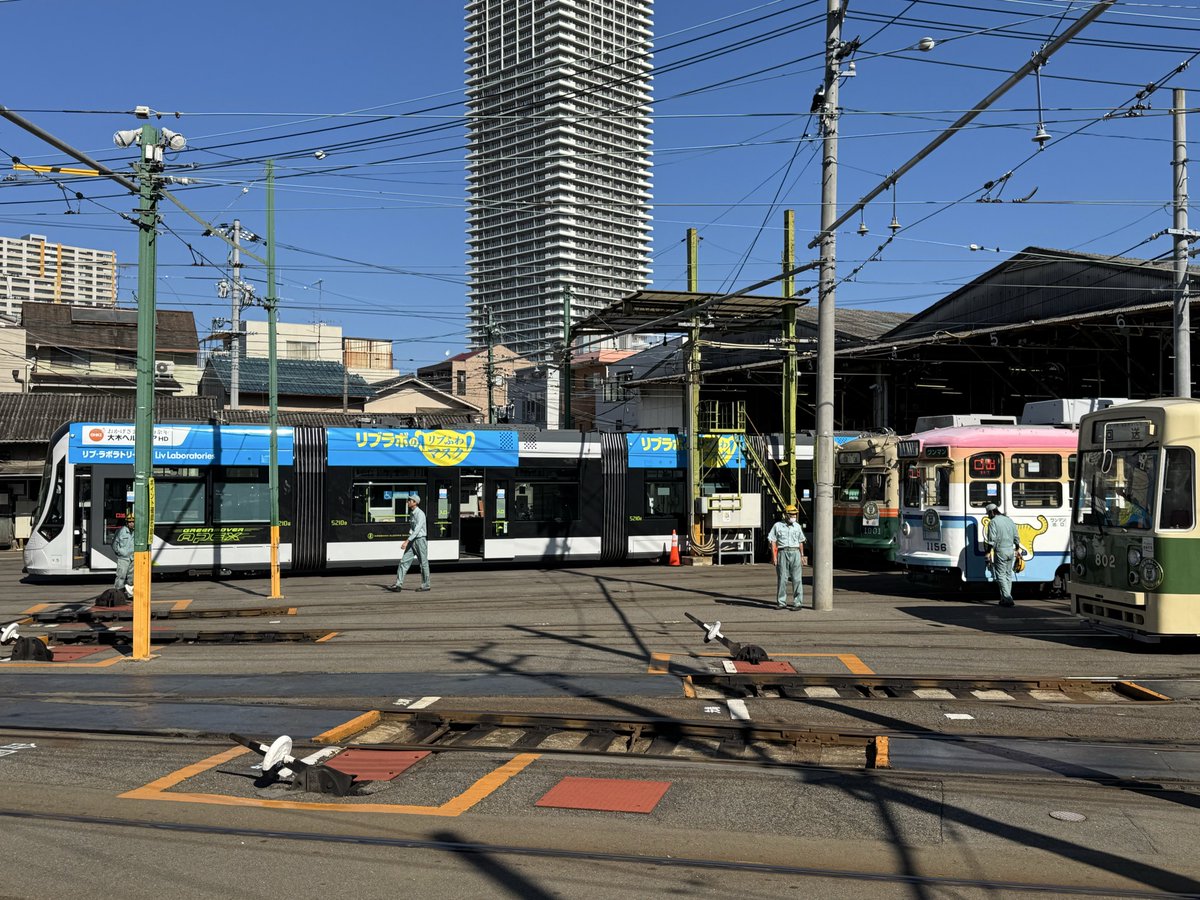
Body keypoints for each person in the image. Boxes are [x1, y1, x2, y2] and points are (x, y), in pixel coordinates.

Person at [387, 493, 430, 592]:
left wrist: (407, 541)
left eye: (410, 500)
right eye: (408, 500)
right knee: (403, 562)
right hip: (412, 540)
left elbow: (417, 530)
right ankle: (398, 585)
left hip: (420, 540)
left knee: (423, 563)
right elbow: (412, 528)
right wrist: (409, 539)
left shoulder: (420, 514)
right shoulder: (412, 513)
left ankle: (426, 585)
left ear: (415, 503)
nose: (408, 502)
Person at [767, 504, 807, 610]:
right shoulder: (777, 526)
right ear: (785, 515)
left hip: (795, 552)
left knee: (797, 579)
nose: (793, 516)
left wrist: (802, 555)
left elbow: (801, 542)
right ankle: (781, 602)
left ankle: (798, 603)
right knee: (782, 578)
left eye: (795, 515)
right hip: (782, 552)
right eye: (791, 514)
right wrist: (774, 557)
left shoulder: (797, 526)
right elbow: (773, 541)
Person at [983, 502, 1020, 607]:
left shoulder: (993, 522)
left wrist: (988, 552)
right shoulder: (1009, 520)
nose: (988, 516)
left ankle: (1008, 598)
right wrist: (1017, 549)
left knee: (1001, 575)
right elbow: (1016, 536)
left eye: (988, 514)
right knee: (1008, 575)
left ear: (991, 512)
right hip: (1010, 550)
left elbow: (991, 540)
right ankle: (1005, 598)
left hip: (1001, 551)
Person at [113, 514, 135, 598]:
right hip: (123, 558)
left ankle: (130, 594)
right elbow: (114, 544)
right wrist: (120, 552)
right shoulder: (120, 531)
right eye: (129, 522)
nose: (131, 523)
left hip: (133, 558)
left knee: (132, 578)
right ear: (126, 522)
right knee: (120, 576)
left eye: (133, 522)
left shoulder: (137, 532)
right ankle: (118, 594)